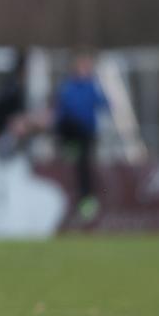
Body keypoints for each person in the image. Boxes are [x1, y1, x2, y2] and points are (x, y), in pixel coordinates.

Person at [54, 49, 109, 220]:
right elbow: (62, 110)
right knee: (69, 127)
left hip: (86, 133)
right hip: (71, 131)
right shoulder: (68, 87)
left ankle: (86, 199)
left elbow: (105, 105)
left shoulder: (92, 86)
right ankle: (69, 146)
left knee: (84, 166)